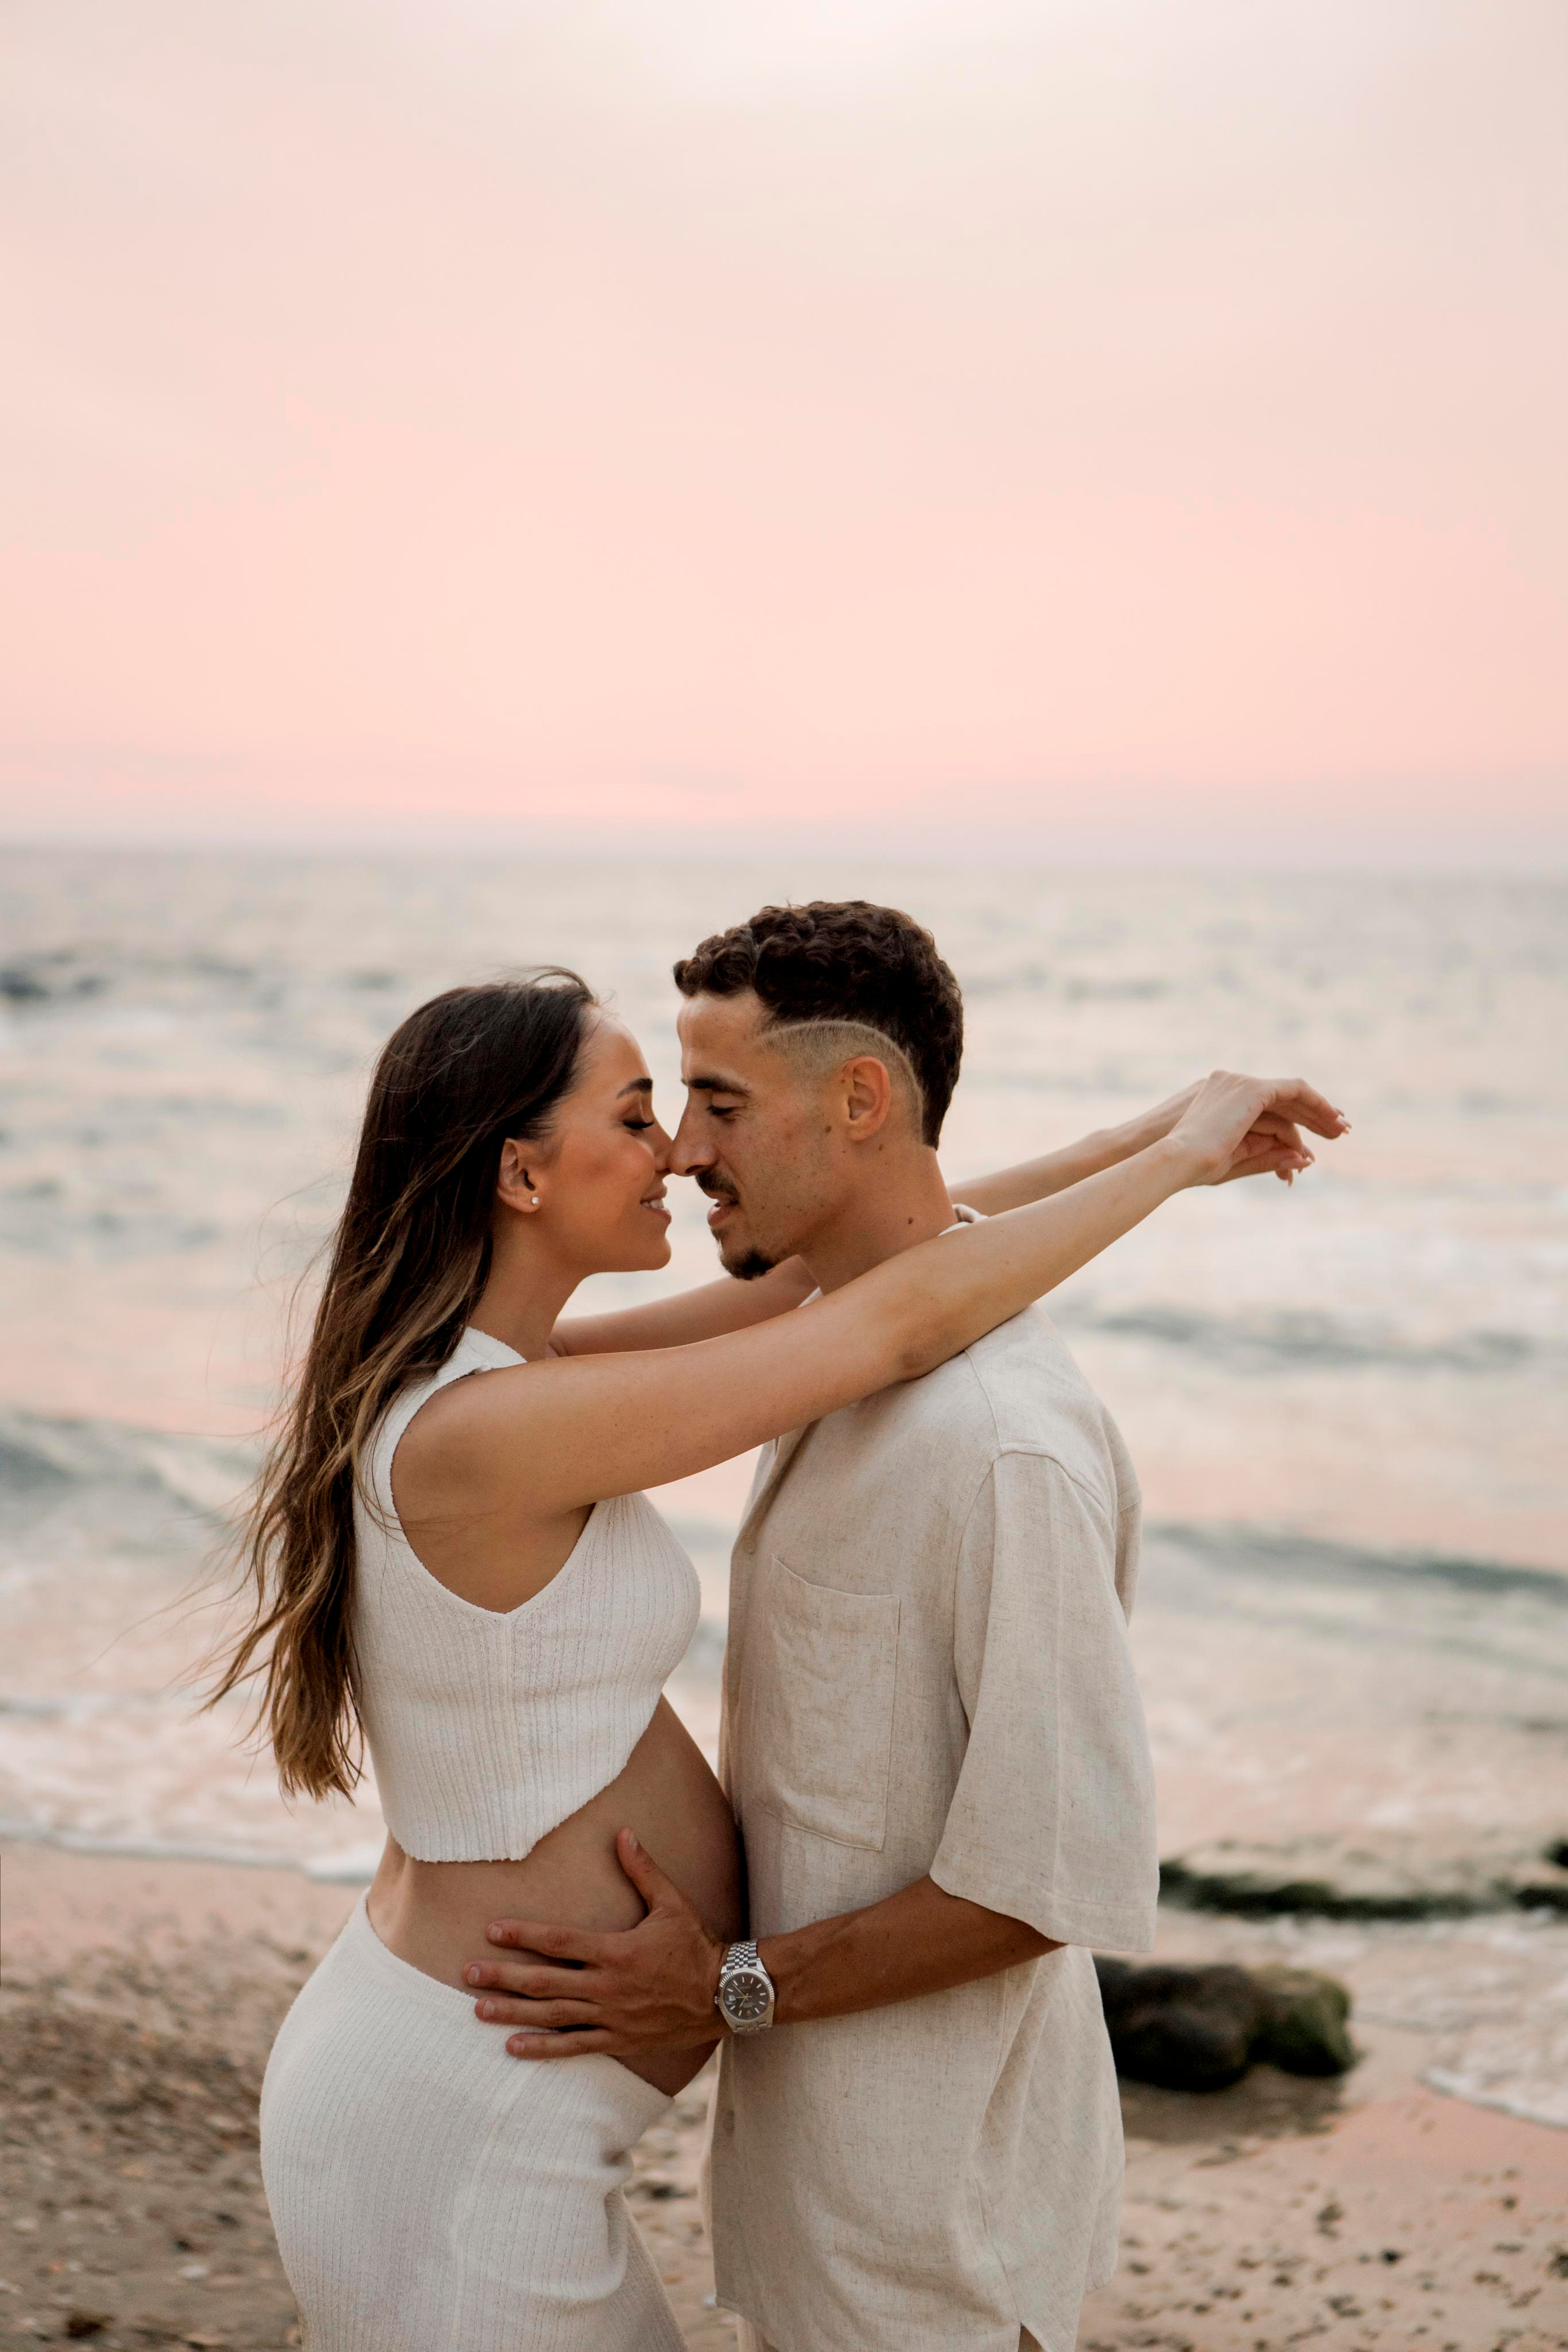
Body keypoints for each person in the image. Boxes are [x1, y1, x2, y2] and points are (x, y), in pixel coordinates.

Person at [216, 944, 1340, 2352]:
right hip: (461, 2131)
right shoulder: (485, 1432)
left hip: (460, 2093)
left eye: (687, 1111)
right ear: (518, 1174)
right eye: (634, 1118)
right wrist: (1170, 1162)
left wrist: (1148, 1136)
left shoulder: (516, 1383)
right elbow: (887, 1318)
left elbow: (872, 1257)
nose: (676, 1155)